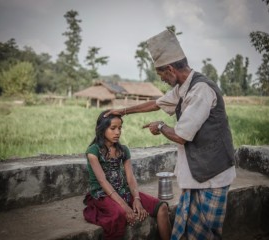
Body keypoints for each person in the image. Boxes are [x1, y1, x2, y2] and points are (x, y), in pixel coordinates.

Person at [105, 29, 236, 239]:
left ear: (171, 69)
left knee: (206, 233)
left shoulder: (200, 90)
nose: (163, 80)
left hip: (213, 176)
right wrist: (124, 110)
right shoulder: (183, 87)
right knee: (192, 231)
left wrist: (160, 127)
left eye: (161, 75)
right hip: (198, 173)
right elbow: (157, 104)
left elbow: (181, 136)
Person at [83, 110, 171, 240]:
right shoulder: (93, 151)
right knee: (118, 215)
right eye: (113, 128)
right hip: (103, 194)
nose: (117, 132)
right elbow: (102, 181)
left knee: (162, 207)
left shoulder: (123, 150)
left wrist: (137, 199)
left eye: (120, 128)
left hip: (124, 192)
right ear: (101, 129)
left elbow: (130, 178)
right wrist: (125, 206)